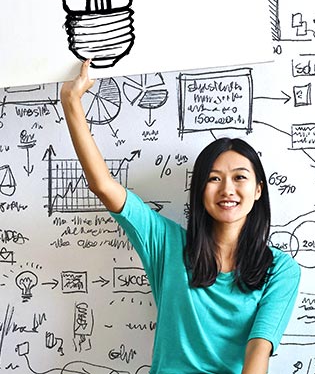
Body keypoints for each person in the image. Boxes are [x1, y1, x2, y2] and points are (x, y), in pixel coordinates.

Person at [61, 60, 301, 374]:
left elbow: (258, 351)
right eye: (214, 179)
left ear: (258, 190)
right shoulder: (167, 244)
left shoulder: (280, 270)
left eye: (239, 178)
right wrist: (71, 101)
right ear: (200, 190)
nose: (227, 189)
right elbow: (104, 186)